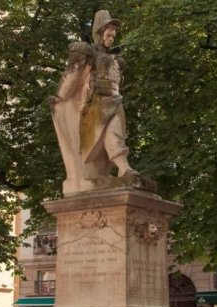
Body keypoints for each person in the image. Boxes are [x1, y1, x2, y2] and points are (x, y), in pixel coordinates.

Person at [49, 10, 138, 194]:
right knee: (113, 135)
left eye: (113, 35)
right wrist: (59, 98)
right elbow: (72, 76)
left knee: (116, 135)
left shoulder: (115, 60)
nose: (112, 37)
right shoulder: (87, 53)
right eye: (108, 34)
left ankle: (121, 169)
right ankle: (124, 168)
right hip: (96, 106)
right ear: (99, 32)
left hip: (115, 103)